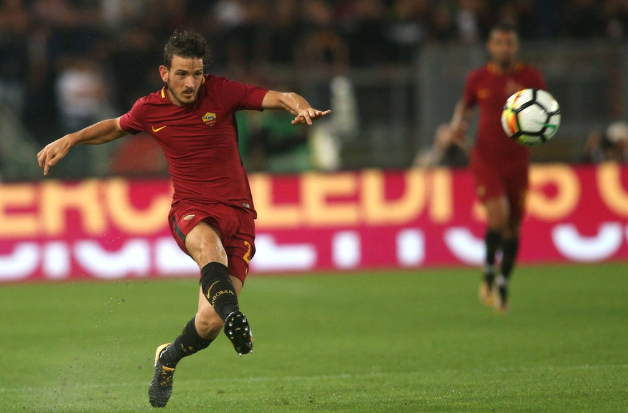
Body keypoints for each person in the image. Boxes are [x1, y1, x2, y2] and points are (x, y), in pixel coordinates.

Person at [37, 29, 330, 408]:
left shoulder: (222, 92)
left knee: (209, 323)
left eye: (196, 74)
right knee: (209, 250)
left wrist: (301, 106)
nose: (191, 83)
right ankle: (236, 318)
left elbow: (280, 96)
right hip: (191, 209)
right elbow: (115, 127)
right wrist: (70, 138)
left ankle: (168, 357)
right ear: (165, 73)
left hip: (239, 215)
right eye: (182, 74)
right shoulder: (149, 109)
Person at [449, 23, 546, 313]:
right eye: (499, 43)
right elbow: (465, 107)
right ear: (490, 47)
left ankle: (502, 282)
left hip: (518, 161)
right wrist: (458, 125)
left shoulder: (530, 77)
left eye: (509, 43)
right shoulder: (478, 78)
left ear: (516, 47)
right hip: (486, 159)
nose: (505, 49)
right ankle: (489, 272)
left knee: (513, 227)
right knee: (498, 218)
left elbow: (545, 112)